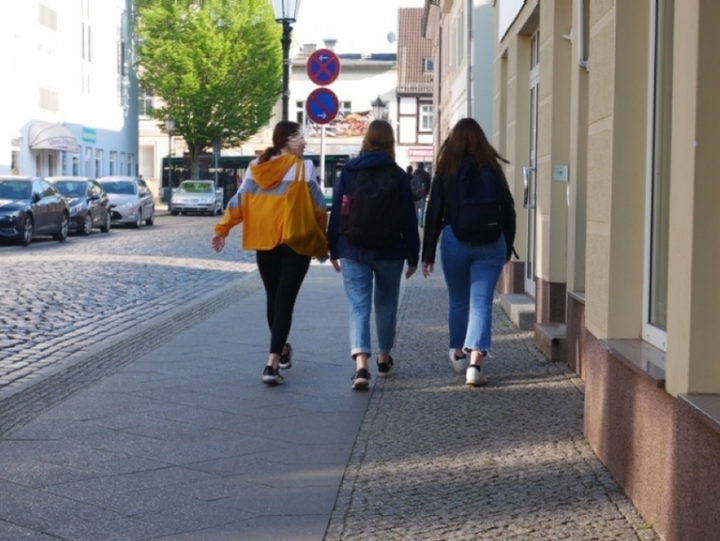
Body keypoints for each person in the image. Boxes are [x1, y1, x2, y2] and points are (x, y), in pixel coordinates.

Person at [211, 121, 327, 386]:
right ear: (286, 140)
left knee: (274, 300)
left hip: (264, 242)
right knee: (284, 301)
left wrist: (222, 229)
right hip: (295, 243)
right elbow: (319, 210)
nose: (305, 143)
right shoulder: (304, 169)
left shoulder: (255, 168)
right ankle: (271, 363)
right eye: (300, 138)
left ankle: (281, 351)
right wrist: (324, 244)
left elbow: (239, 201)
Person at [421, 117, 516, 387]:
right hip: (491, 243)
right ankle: (475, 364)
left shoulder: (446, 169)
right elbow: (508, 209)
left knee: (459, 300)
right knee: (482, 301)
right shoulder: (492, 168)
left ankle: (458, 353)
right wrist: (507, 246)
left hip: (454, 240)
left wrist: (427, 254)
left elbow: (434, 214)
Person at [328, 120, 420, 390]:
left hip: (353, 247)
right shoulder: (398, 174)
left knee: (358, 305)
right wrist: (413, 255)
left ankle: (361, 367)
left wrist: (333, 247)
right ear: (390, 141)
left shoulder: (349, 171)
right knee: (386, 304)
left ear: (366, 140)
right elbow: (408, 218)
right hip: (390, 249)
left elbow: (339, 211)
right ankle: (383, 358)